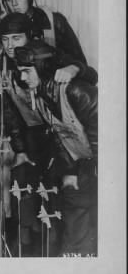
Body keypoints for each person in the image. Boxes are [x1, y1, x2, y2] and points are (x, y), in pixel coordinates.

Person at [0, 13, 97, 256]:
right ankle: (38, 248)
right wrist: (21, 149)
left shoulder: (46, 55)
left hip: (67, 136)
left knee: (71, 197)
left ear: (30, 37)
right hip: (39, 136)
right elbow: (9, 112)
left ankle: (71, 249)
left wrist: (73, 67)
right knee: (40, 197)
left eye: (16, 38)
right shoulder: (2, 65)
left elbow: (90, 76)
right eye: (5, 39)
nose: (9, 45)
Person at [14, 39, 98, 256]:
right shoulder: (41, 97)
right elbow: (60, 137)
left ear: (42, 68)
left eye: (26, 71)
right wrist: (70, 172)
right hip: (81, 162)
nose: (22, 78)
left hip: (101, 164)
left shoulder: (77, 91)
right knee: (73, 203)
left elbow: (104, 137)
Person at [0, 0, 98, 85]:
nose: (14, 4)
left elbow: (80, 63)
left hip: (54, 85)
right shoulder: (3, 26)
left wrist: (72, 69)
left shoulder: (53, 21)